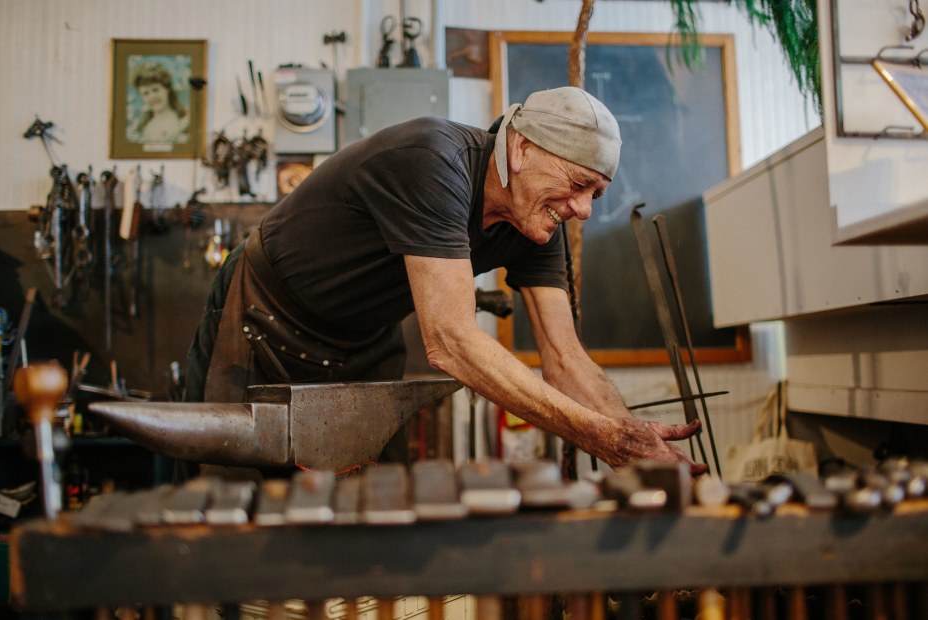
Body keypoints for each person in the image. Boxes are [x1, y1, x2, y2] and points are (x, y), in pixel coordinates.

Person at [185, 86, 706, 475]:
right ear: (521, 149)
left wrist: (640, 450)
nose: (585, 210)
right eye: (578, 185)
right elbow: (451, 342)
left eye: (596, 193)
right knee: (223, 497)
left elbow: (566, 358)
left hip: (360, 342)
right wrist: (598, 435)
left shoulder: (536, 225)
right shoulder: (435, 162)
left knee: (363, 511)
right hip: (261, 314)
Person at [128, 62, 190, 144]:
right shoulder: (142, 125)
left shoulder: (183, 121)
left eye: (155, 90)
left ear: (167, 89)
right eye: (146, 93)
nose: (152, 96)